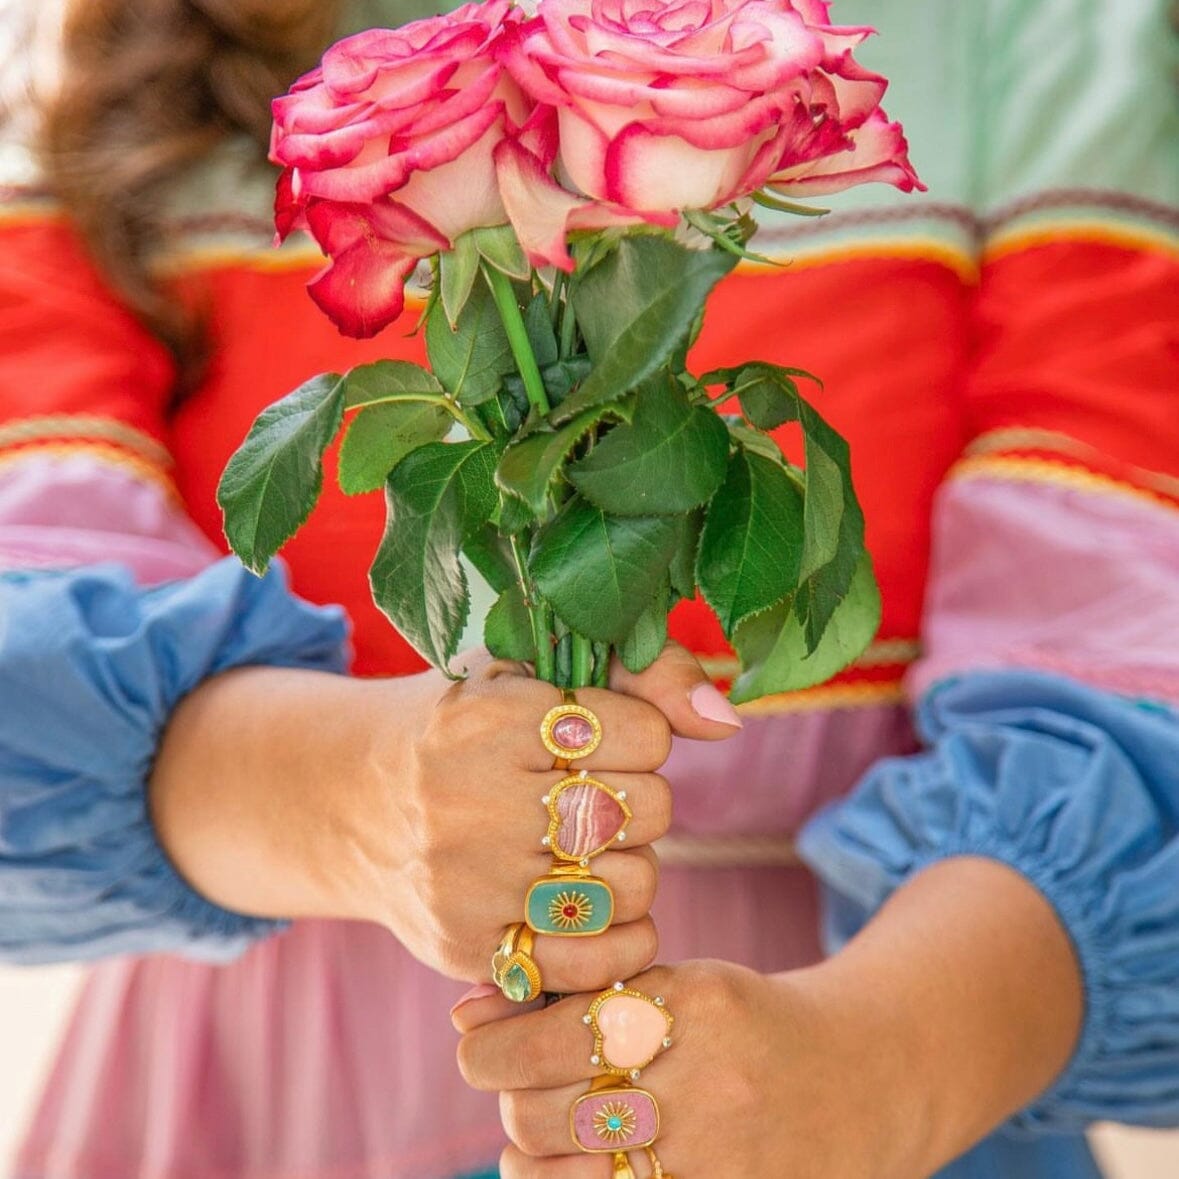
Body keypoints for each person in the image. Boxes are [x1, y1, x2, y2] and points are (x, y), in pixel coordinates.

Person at [1, 1, 1176, 1177]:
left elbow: (1135, 648)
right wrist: (359, 799)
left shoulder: (1051, 38)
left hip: (872, 1050)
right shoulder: (112, 50)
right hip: (267, 1095)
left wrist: (881, 1070)